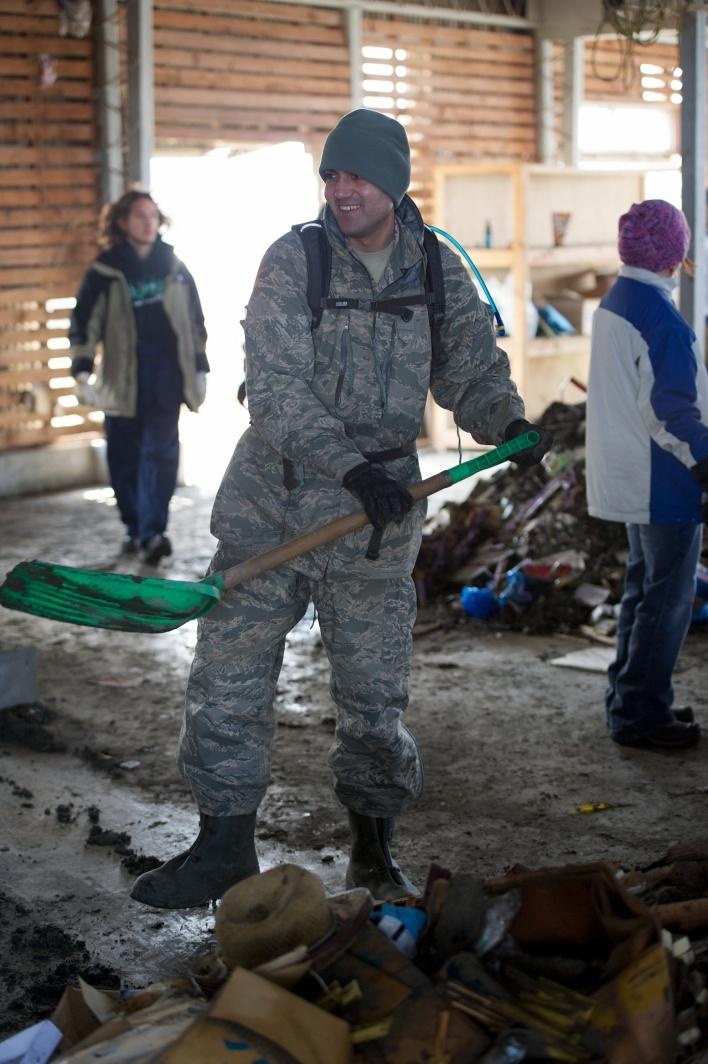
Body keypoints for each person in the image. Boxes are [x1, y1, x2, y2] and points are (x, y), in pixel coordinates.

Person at [130, 109, 551, 909]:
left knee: (372, 693)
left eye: (356, 175)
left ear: (392, 182)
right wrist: (351, 466)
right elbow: (277, 392)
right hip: (275, 501)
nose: (341, 189)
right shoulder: (295, 262)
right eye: (331, 174)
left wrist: (507, 422)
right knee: (228, 677)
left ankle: (372, 850)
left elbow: (468, 368)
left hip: (378, 522)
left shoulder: (435, 269)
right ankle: (223, 848)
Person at [586, 198, 708, 751]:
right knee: (666, 601)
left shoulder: (617, 302)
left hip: (631, 476)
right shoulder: (661, 319)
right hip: (664, 484)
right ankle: (641, 716)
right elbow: (671, 413)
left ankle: (631, 700)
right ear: (675, 255)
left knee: (643, 594)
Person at [69, 190, 209, 565]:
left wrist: (199, 365)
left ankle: (153, 532)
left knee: (161, 455)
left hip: (165, 372)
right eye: (140, 216)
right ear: (122, 223)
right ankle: (135, 526)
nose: (149, 223)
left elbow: (195, 322)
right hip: (123, 375)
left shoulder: (174, 267)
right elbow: (84, 323)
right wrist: (82, 369)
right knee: (125, 457)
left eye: (153, 216)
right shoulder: (105, 269)